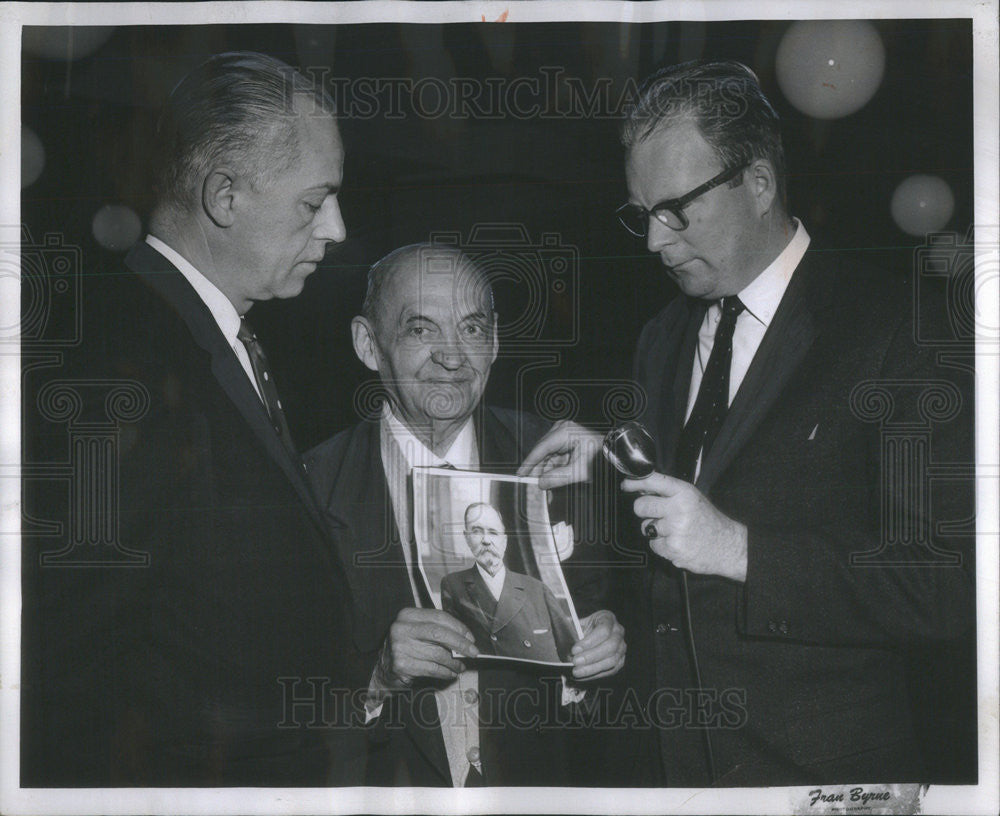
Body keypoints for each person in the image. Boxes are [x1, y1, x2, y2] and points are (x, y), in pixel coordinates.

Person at [520, 60, 975, 786]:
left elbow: (949, 582)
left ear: (758, 184)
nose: (654, 243)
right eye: (641, 215)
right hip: (670, 775)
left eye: (677, 210)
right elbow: (692, 504)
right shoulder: (662, 337)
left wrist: (740, 550)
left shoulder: (897, 327)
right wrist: (612, 460)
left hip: (819, 780)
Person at [21, 52, 366, 786]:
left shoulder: (206, 337)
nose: (336, 228)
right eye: (314, 202)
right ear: (225, 197)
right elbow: (71, 674)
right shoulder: (121, 368)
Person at [304, 243, 626, 787]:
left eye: (473, 329)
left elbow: (615, 652)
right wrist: (377, 678)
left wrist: (600, 660)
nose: (453, 357)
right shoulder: (311, 487)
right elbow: (263, 704)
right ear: (368, 344)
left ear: (496, 340)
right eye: (421, 330)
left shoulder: (561, 459)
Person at [440, 502, 578, 663]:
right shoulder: (453, 586)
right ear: (467, 538)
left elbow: (571, 652)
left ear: (504, 541)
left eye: (493, 532)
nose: (486, 540)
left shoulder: (538, 589)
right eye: (477, 531)